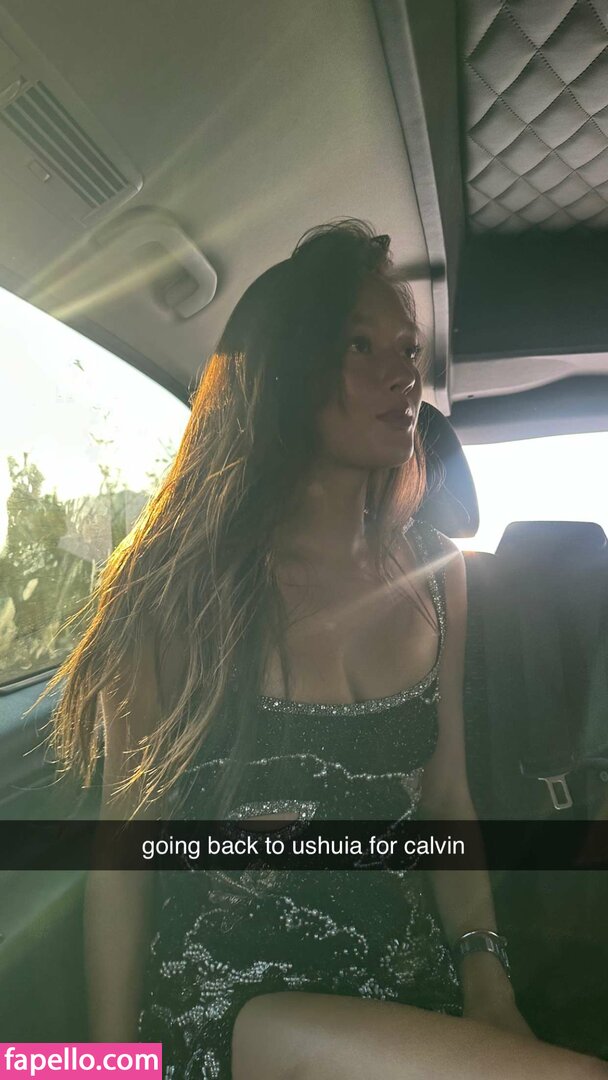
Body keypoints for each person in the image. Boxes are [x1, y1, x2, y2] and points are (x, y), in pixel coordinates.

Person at [43, 220, 608, 1079]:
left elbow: (446, 802)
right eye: (360, 344)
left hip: (409, 992)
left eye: (409, 349)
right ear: (286, 371)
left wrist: (487, 978)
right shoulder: (173, 588)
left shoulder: (437, 578)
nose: (403, 373)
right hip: (239, 1005)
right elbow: (125, 849)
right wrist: (110, 1064)